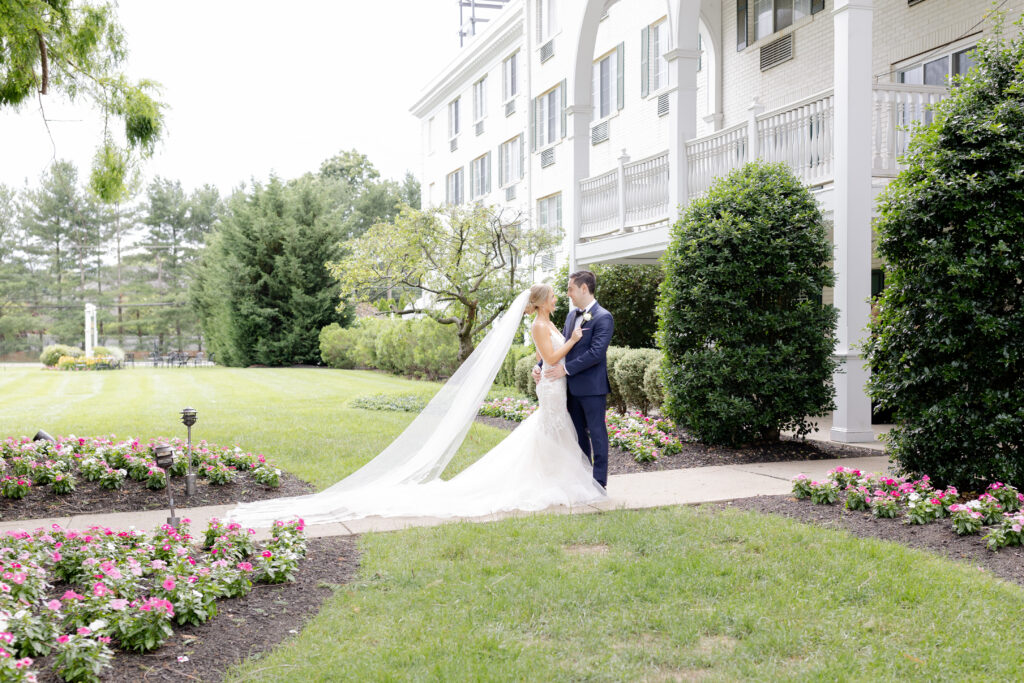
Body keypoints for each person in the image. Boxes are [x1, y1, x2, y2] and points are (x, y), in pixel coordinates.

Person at [228, 284, 607, 528]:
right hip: (553, 390)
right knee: (546, 431)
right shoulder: (543, 326)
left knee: (550, 433)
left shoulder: (552, 320)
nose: (560, 299)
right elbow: (551, 352)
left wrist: (546, 366)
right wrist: (570, 342)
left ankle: (555, 477)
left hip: (555, 387)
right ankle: (549, 481)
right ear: (542, 302)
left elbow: (546, 359)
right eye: (555, 296)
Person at [532, 270, 614, 488]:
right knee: (577, 435)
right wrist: (539, 366)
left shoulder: (604, 317)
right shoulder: (571, 316)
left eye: (570, 289)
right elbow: (559, 349)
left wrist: (566, 370)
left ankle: (599, 482)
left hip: (592, 387)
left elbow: (596, 353)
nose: (567, 294)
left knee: (597, 433)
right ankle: (584, 478)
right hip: (569, 388)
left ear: (583, 288)